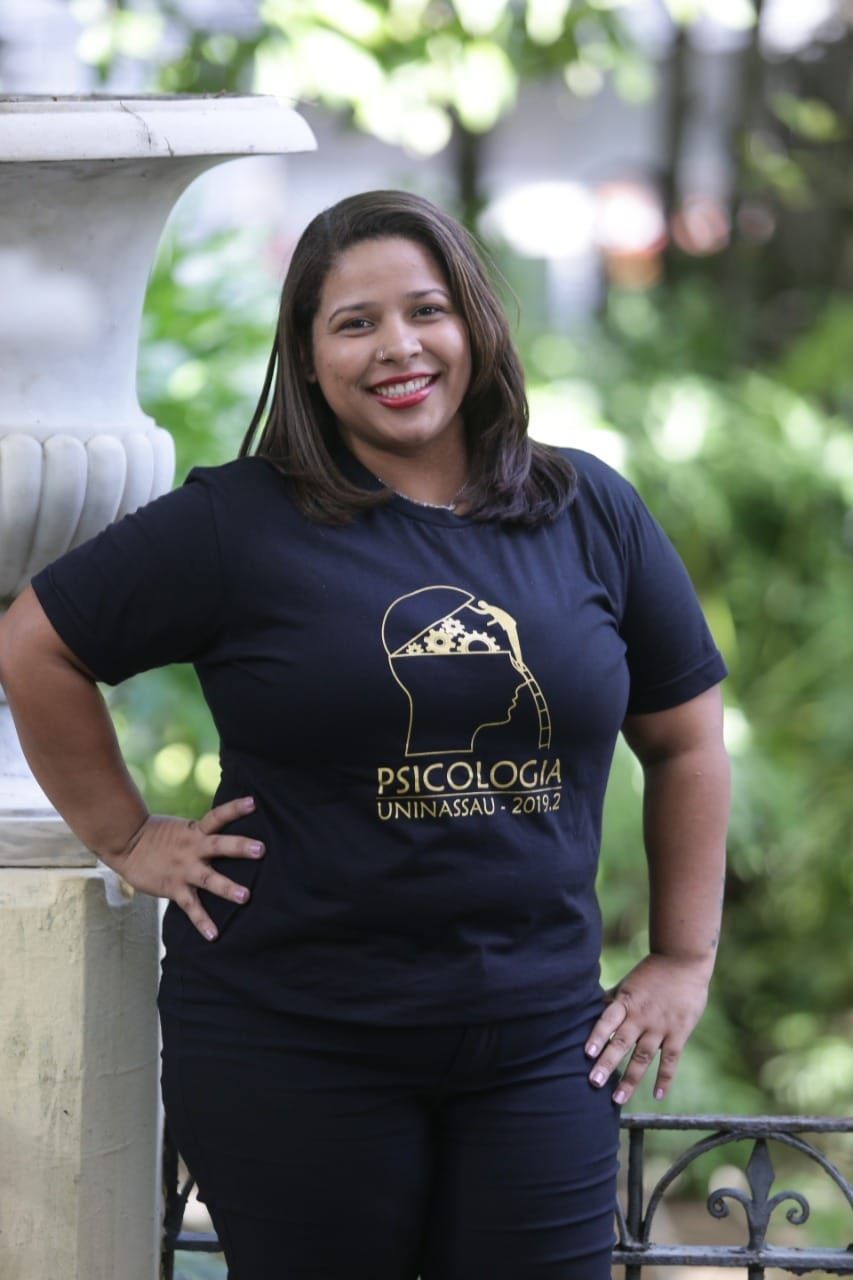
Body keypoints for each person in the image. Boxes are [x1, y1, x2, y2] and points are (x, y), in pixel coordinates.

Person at [0, 189, 730, 1279]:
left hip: (539, 1046)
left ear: (474, 324)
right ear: (306, 356)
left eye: (426, 310)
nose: (399, 347)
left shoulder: (587, 510)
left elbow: (686, 741)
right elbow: (35, 643)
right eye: (355, 323)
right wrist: (127, 835)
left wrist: (681, 956)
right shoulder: (238, 523)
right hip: (292, 1042)